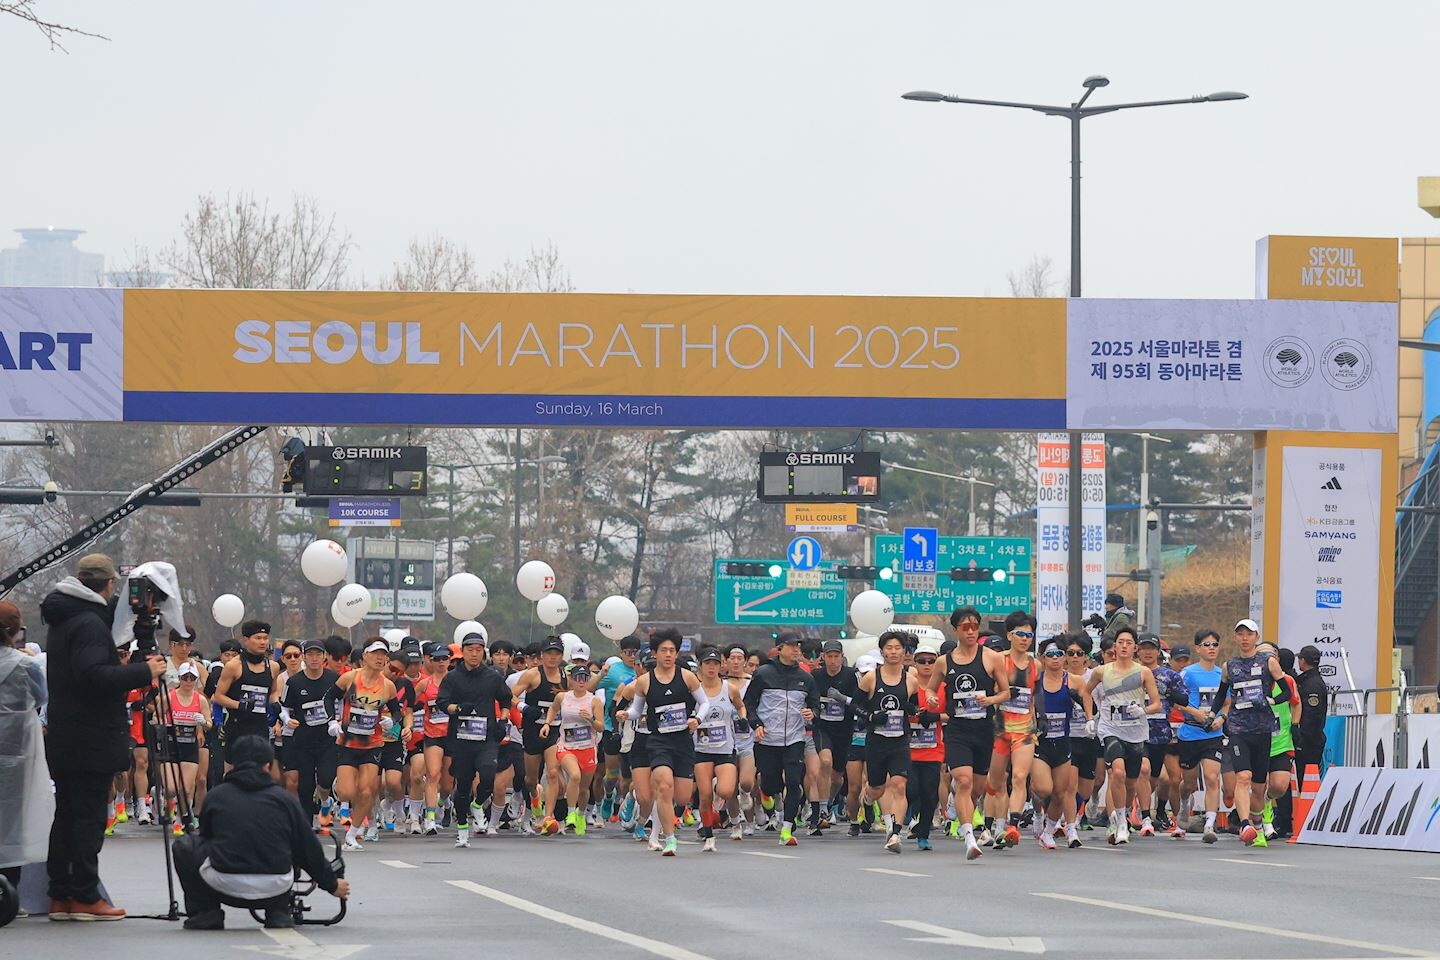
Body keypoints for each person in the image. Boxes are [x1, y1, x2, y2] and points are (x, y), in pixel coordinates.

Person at [43, 553, 167, 921]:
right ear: (109, 584)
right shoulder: (88, 624)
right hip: (91, 736)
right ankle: (85, 895)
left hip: (67, 734)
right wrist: (145, 671)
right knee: (88, 818)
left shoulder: (67, 616)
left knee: (67, 815)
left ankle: (61, 895)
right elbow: (93, 675)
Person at [175, 736, 349, 931]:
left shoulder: (215, 797)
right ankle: (278, 912)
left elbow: (206, 839)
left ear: (233, 765)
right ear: (267, 766)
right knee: (291, 842)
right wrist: (331, 884)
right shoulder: (284, 800)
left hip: (223, 885)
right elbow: (308, 848)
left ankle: (206, 913)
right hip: (275, 886)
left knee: (184, 845)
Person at [928, 606, 1010, 860]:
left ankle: (960, 807)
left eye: (975, 626)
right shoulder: (944, 661)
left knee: (976, 789)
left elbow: (1006, 692)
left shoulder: (992, 658)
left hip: (983, 729)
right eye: (966, 627)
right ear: (956, 630)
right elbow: (931, 688)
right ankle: (969, 838)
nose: (971, 631)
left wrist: (990, 700)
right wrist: (931, 698)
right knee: (963, 781)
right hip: (957, 729)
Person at [1083, 626, 1163, 846]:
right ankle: (1119, 823)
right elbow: (1086, 692)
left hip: (1135, 732)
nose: (1124, 646)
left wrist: (1143, 710)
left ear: (1135, 647)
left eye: (1129, 643)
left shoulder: (1143, 672)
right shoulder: (1102, 672)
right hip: (1110, 729)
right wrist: (1090, 718)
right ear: (1115, 647)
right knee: (1117, 772)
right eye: (1121, 642)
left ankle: (1124, 812)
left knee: (1130, 782)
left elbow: (1156, 704)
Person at [326, 638, 405, 851]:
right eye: (376, 653)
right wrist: (332, 721)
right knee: (346, 792)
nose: (380, 658)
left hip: (373, 744)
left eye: (383, 655)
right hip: (348, 742)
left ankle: (352, 833)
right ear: (365, 656)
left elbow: (397, 711)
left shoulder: (387, 686)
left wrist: (392, 721)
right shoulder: (350, 678)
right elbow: (328, 698)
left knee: (367, 791)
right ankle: (342, 790)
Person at [628, 628, 700, 856]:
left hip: (682, 741)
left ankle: (665, 828)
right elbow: (636, 710)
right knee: (664, 786)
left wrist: (697, 719)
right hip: (658, 741)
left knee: (682, 796)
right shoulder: (644, 682)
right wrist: (625, 715)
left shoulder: (687, 677)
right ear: (655, 653)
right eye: (664, 650)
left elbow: (705, 703)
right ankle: (669, 838)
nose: (668, 654)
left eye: (672, 650)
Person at [744, 633, 820, 847]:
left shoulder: (806, 678)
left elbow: (816, 705)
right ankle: (766, 793)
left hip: (795, 739)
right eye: (791, 646)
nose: (796, 650)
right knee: (770, 783)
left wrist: (812, 713)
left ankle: (787, 829)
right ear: (779, 649)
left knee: (794, 783)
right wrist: (756, 724)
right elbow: (749, 703)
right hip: (767, 739)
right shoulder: (763, 674)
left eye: (798, 646)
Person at [436, 631, 512, 848]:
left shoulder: (492, 677)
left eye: (478, 650)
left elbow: (506, 700)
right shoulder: (452, 677)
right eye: (470, 650)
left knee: (488, 775)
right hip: (461, 739)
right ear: (463, 652)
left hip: (486, 737)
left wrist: (503, 720)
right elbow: (442, 703)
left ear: (483, 653)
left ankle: (478, 804)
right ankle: (462, 830)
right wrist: (458, 708)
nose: (474, 654)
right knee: (462, 786)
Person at [1, 599, 52, 915]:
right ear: (15, 632)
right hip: (17, 752)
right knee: (13, 821)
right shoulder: (27, 665)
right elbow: (42, 697)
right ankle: (8, 891)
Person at [279, 639, 340, 832]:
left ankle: (325, 799)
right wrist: (287, 719)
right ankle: (307, 823)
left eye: (318, 654)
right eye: (310, 655)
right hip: (303, 739)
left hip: (327, 739)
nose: (314, 658)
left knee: (326, 779)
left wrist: (338, 721)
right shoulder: (294, 682)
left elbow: (342, 702)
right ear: (304, 657)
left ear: (324, 657)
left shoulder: (334, 679)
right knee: (304, 784)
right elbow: (283, 707)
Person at [691, 646, 747, 851]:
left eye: (715, 663)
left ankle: (718, 790)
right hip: (702, 749)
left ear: (721, 666)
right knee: (704, 795)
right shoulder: (694, 690)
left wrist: (742, 718)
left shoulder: (729, 688)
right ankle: (709, 836)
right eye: (708, 663)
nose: (711, 667)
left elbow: (740, 706)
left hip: (725, 748)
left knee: (726, 790)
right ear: (701, 666)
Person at [1177, 629, 1226, 844]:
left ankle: (1209, 824)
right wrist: (1195, 712)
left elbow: (1228, 702)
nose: (1211, 648)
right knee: (1189, 783)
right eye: (1207, 645)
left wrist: (1221, 718)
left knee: (1212, 778)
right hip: (1190, 734)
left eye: (1215, 644)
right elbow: (1175, 701)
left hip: (1213, 734)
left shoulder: (1222, 674)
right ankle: (1184, 802)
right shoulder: (1187, 673)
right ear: (1197, 648)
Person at [907, 641, 945, 851]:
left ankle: (923, 835)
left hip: (933, 749)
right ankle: (906, 819)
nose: (927, 664)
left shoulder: (943, 688)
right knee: (911, 789)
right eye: (922, 661)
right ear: (915, 663)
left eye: (931, 661)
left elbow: (954, 714)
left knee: (930, 794)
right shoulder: (908, 685)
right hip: (908, 749)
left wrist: (936, 717)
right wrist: (912, 714)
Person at [1295, 644, 1329, 780]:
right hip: (1309, 739)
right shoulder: (1307, 680)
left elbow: (1312, 715)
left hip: (1309, 741)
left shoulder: (1312, 684)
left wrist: (1301, 738)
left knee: (1305, 778)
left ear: (1303, 660)